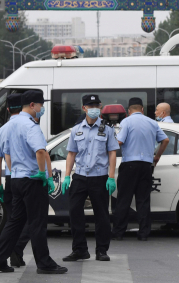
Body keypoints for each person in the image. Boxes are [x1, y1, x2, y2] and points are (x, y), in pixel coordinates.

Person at [0, 90, 67, 275]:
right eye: (40, 105)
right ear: (32, 105)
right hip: (32, 180)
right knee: (37, 222)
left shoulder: (6, 127)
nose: (42, 109)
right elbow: (41, 151)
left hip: (15, 179)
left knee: (15, 221)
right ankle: (44, 263)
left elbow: (0, 157)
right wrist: (43, 174)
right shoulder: (30, 126)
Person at [61, 94, 119, 262]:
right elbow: (71, 153)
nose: (94, 108)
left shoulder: (107, 129)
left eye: (96, 105)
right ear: (84, 108)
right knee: (74, 213)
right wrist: (66, 176)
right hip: (79, 176)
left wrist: (111, 176)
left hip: (99, 177)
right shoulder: (77, 129)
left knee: (101, 215)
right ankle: (80, 250)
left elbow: (112, 152)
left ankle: (101, 250)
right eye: (90, 105)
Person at [112, 98, 169, 241]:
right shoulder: (152, 122)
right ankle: (144, 233)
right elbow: (165, 140)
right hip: (146, 165)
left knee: (124, 200)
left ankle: (119, 233)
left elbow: (119, 141)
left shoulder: (126, 122)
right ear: (142, 109)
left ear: (128, 111)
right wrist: (156, 157)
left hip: (130, 164)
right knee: (143, 200)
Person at [0, 93, 31, 268]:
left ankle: (10, 251)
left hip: (10, 179)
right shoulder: (28, 125)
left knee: (14, 219)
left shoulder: (2, 130)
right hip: (27, 177)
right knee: (30, 219)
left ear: (7, 109)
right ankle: (17, 248)